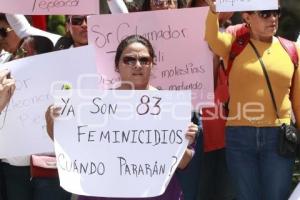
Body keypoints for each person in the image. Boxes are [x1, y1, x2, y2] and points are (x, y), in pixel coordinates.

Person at [45, 34, 198, 200]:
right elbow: (71, 147)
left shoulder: (171, 107)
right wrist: (52, 122)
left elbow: (183, 162)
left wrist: (182, 141)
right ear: (117, 66)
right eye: (129, 60)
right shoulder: (96, 106)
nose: (137, 65)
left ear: (152, 64)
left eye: (144, 60)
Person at [205, 0, 300, 200]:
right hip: (239, 136)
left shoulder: (292, 50)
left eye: (276, 13)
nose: (273, 18)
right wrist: (213, 11)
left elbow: (298, 101)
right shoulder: (233, 45)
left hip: (279, 136)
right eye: (265, 14)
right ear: (247, 17)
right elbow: (212, 38)